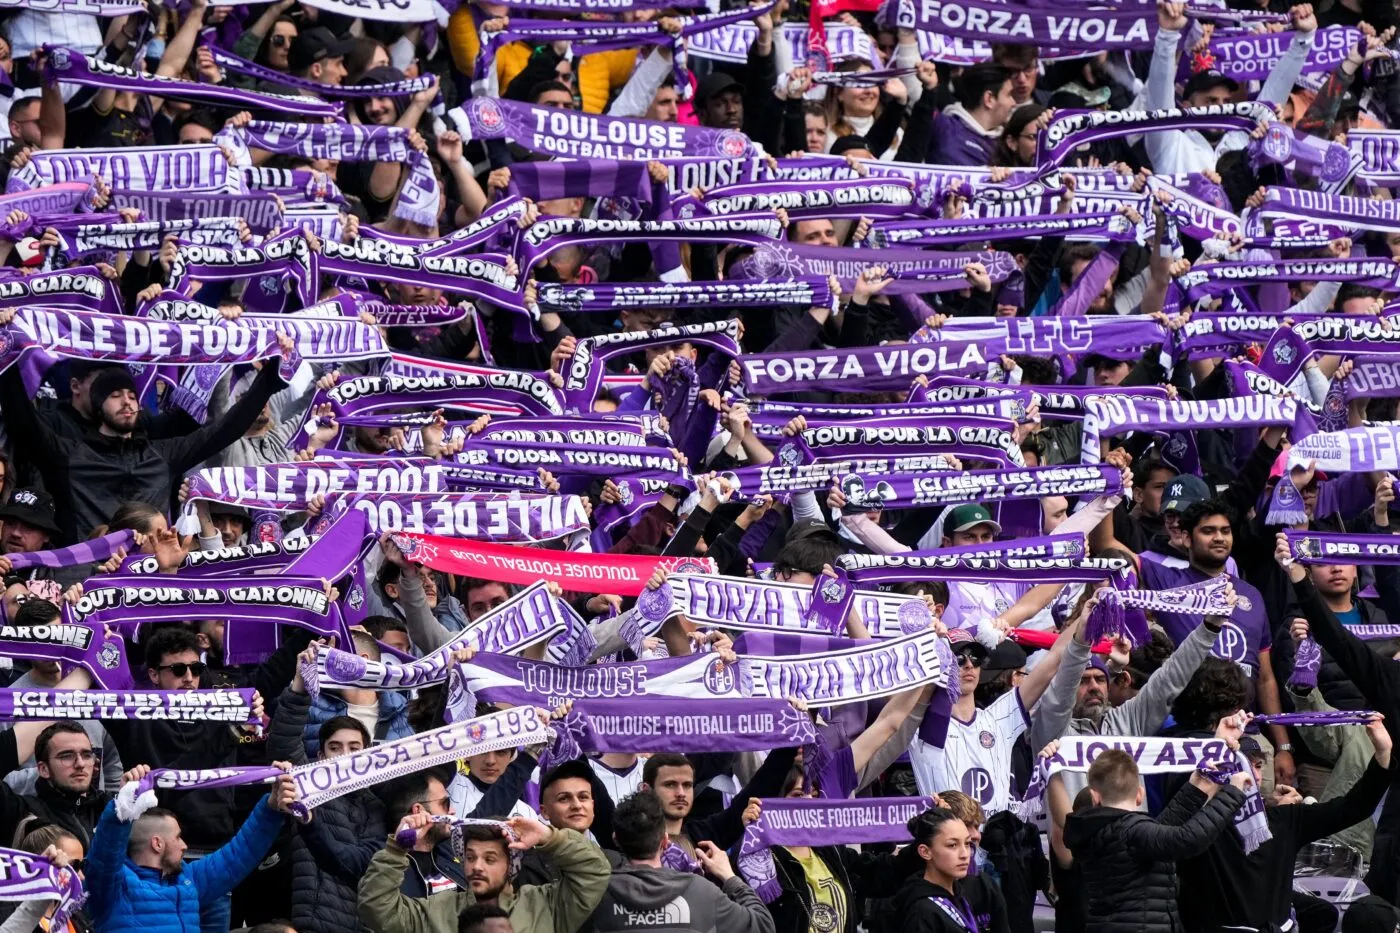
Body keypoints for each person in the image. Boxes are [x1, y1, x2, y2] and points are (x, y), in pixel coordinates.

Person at [85, 764, 299, 933]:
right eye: (178, 838)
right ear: (157, 843)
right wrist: (122, 808)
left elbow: (238, 854)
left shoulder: (188, 879)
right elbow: (104, 857)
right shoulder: (114, 888)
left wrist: (271, 808)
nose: (185, 845)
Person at [1064, 747, 1248, 933]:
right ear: (1140, 794)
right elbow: (1186, 839)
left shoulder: (1097, 832)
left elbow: (1159, 833)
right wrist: (1232, 793)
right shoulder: (1132, 831)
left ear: (1095, 797)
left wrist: (1194, 789)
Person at [357, 802, 610, 933]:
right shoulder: (435, 910)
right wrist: (396, 850)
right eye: (470, 856)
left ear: (512, 863)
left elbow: (594, 872)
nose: (476, 866)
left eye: (490, 859)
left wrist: (549, 837)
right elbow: (376, 908)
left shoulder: (547, 906)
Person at [588, 792, 775, 933]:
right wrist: (728, 876)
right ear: (665, 841)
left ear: (616, 839)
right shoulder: (701, 891)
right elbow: (763, 925)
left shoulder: (596, 894)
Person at [891, 808, 1009, 932]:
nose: (964, 854)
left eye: (967, 844)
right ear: (925, 852)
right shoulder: (921, 913)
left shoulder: (960, 893)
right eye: (952, 845)